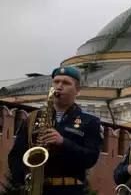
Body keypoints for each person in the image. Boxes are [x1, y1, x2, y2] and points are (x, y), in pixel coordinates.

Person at [8, 66, 104, 194]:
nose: (59, 86)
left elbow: (91, 158)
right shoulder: (32, 118)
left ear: (77, 90)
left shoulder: (90, 121)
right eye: (56, 81)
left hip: (69, 190)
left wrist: (63, 143)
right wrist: (25, 181)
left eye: (66, 83)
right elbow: (16, 156)